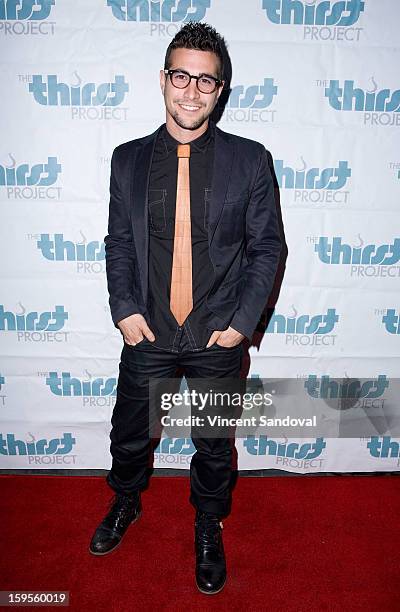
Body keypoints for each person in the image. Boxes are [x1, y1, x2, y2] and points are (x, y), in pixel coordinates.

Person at [89, 22, 282, 595]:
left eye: (206, 80)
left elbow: (267, 246)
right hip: (146, 328)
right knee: (129, 433)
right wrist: (123, 308)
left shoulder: (250, 161)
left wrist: (241, 326)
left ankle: (207, 523)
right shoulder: (127, 160)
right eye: (182, 76)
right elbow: (119, 243)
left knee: (214, 444)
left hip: (216, 333)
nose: (191, 91)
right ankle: (126, 501)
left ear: (220, 90)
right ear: (163, 80)